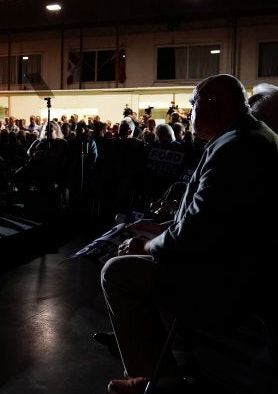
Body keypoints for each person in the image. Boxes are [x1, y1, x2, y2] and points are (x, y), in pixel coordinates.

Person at [101, 74, 278, 394]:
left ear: (213, 105)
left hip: (227, 279)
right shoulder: (250, 136)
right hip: (238, 262)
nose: (189, 110)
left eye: (193, 103)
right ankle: (172, 357)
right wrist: (166, 229)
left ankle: (159, 377)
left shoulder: (234, 146)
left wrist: (149, 242)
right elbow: (217, 218)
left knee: (117, 271)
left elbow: (198, 234)